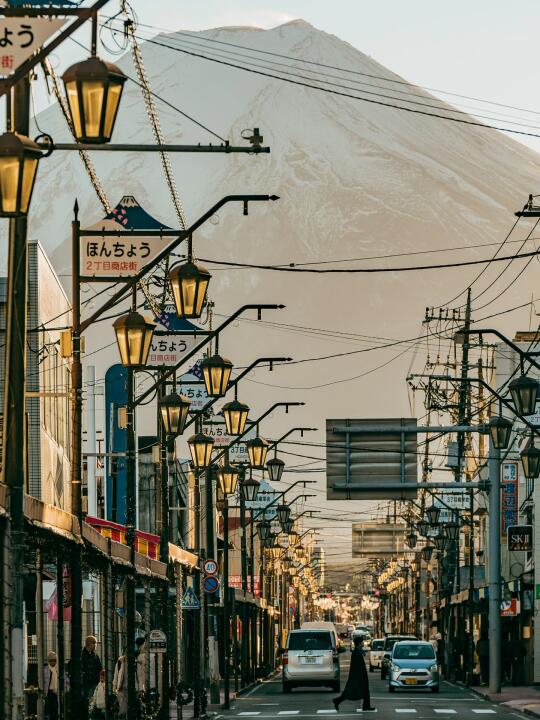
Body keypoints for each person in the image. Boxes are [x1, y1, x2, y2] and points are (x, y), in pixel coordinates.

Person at [333, 635, 375, 712]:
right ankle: (337, 700)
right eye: (362, 642)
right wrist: (360, 676)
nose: (363, 643)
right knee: (351, 691)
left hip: (359, 675)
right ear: (359, 643)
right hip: (358, 676)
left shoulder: (358, 651)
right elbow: (357, 666)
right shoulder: (356, 652)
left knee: (363, 691)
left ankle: (366, 706)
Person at [81, 635, 102, 704]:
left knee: (92, 701)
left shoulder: (95, 656)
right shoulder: (82, 655)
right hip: (85, 683)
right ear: (89, 644)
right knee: (86, 700)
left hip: (93, 682)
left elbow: (100, 668)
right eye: (94, 643)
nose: (96, 645)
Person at [44, 651, 58, 720]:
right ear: (49, 661)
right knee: (51, 710)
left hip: (54, 692)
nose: (53, 662)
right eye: (52, 660)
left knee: (54, 710)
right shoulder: (47, 669)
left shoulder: (55, 669)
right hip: (49, 692)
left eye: (55, 660)